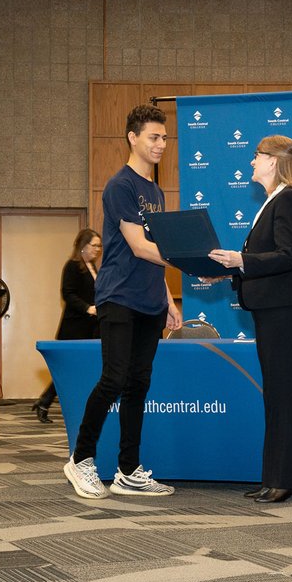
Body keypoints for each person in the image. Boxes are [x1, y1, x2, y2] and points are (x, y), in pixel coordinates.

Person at [63, 103, 182, 499]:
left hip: (149, 300)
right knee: (113, 380)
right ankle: (80, 459)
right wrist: (188, 261)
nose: (161, 144)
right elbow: (137, 245)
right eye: (154, 136)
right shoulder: (121, 186)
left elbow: (155, 249)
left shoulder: (156, 191)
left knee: (138, 385)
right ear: (132, 138)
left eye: (164, 137)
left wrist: (168, 299)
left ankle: (128, 469)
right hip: (118, 297)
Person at [209, 136, 292, 504]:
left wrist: (240, 262)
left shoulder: (288, 199)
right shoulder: (277, 199)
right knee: (275, 391)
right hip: (274, 306)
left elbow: (287, 255)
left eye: (256, 157)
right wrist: (229, 272)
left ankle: (285, 479)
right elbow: (266, 257)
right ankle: (277, 477)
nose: (252, 162)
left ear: (273, 162)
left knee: (281, 392)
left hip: (283, 307)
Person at [33, 228, 102, 423]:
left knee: (79, 368)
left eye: (99, 246)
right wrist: (87, 308)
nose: (98, 250)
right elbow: (68, 294)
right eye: (94, 245)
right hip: (74, 328)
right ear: (83, 246)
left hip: (92, 328)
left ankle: (45, 401)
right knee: (68, 369)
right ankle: (46, 401)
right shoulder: (72, 266)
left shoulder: (92, 267)